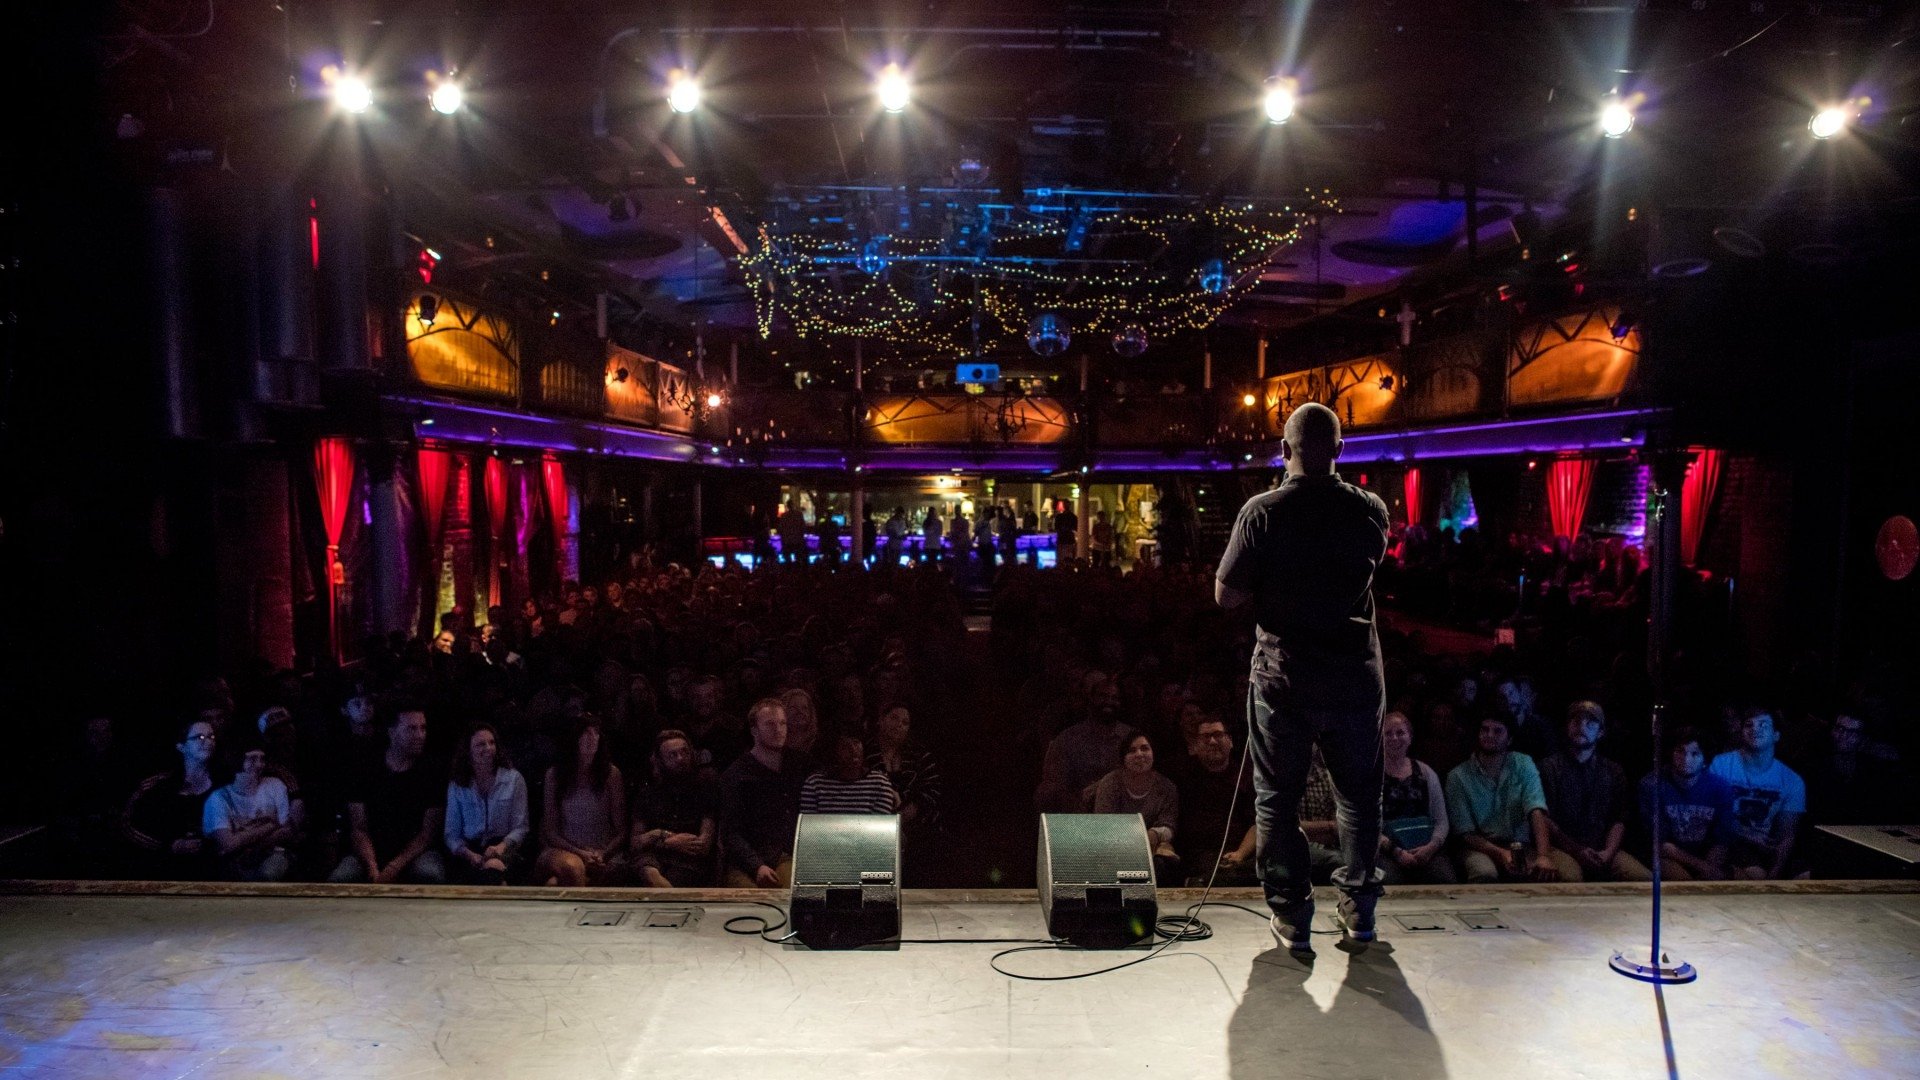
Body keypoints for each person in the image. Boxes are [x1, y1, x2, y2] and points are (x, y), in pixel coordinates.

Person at [1215, 402, 1391, 950]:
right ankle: (1359, 914)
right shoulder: (1369, 509)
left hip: (1284, 678)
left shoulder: (1261, 512)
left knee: (1277, 799)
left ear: (1283, 449)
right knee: (1359, 799)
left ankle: (1292, 917)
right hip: (1355, 677)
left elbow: (1226, 596)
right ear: (1340, 450)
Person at [1445, 714, 1579, 883]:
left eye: (1497, 731)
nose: (1489, 735)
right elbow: (1466, 833)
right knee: (1484, 872)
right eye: (1484, 730)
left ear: (1509, 739)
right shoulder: (1458, 776)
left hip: (1522, 844)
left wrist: (1543, 855)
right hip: (1482, 846)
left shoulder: (1523, 763)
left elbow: (1536, 810)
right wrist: (1502, 854)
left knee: (1570, 874)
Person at [330, 707, 448, 884]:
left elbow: (427, 834)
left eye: (423, 728)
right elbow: (358, 828)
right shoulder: (365, 767)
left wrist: (394, 867)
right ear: (392, 732)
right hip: (371, 851)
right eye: (411, 728)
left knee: (430, 875)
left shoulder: (432, 771)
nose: (420, 735)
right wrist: (371, 866)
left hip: (415, 852)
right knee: (339, 879)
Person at [1539, 701, 1652, 882]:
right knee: (1570, 877)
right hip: (1561, 847)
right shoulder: (1550, 768)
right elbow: (1546, 820)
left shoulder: (1613, 771)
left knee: (1642, 877)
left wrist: (1608, 852)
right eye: (1576, 721)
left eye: (1590, 723)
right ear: (1567, 727)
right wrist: (1577, 850)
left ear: (1601, 732)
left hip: (1602, 847)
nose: (1581, 726)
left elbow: (1619, 819)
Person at [719, 698, 808, 888]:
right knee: (750, 901)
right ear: (754, 730)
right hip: (747, 859)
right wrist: (757, 865)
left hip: (784, 854)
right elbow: (730, 832)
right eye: (770, 724)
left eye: (782, 723)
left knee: (790, 894)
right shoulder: (737, 775)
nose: (778, 729)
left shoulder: (797, 765)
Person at [1708, 708, 1807, 879]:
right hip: (1725, 842)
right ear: (1741, 732)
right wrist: (1748, 837)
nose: (1755, 729)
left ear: (1776, 735)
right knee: (1754, 873)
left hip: (1764, 850)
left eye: (1763, 725)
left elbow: (1787, 834)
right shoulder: (1721, 765)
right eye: (1749, 725)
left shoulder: (1792, 780)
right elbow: (1711, 817)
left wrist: (1775, 872)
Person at [536, 714, 629, 886]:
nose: (592, 738)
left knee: (554, 884)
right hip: (564, 849)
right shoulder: (554, 776)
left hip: (602, 851)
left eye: (596, 733)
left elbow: (622, 830)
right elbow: (550, 831)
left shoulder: (611, 774)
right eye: (585, 733)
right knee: (573, 868)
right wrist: (580, 853)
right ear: (573, 738)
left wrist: (602, 853)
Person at [121, 719, 220, 880]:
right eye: (199, 737)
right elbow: (128, 825)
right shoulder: (158, 785)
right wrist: (169, 846)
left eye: (211, 737)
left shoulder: (224, 783)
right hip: (163, 870)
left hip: (211, 869)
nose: (208, 742)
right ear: (181, 747)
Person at [1636, 726, 1733, 881]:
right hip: (1667, 857)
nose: (1686, 759)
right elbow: (1660, 844)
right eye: (1680, 751)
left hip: (1707, 857)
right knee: (1681, 879)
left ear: (1704, 760)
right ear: (1671, 753)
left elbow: (1722, 839)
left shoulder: (1720, 788)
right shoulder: (1652, 785)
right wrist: (1703, 867)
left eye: (1695, 754)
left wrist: (1708, 870)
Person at [1173, 714, 1257, 886]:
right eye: (1205, 737)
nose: (1212, 741)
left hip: (1241, 855)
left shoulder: (1246, 776)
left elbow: (1257, 823)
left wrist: (1240, 854)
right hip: (1199, 857)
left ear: (1230, 741)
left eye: (1218, 735)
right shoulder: (1181, 777)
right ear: (1195, 745)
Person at [630, 729, 719, 888]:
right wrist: (665, 838)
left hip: (688, 860)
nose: (680, 759)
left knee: (669, 878)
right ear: (660, 760)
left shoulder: (705, 789)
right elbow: (636, 842)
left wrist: (655, 838)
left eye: (684, 752)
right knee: (646, 869)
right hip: (652, 857)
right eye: (672, 755)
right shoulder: (648, 793)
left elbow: (703, 845)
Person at [444, 723, 530, 885]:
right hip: (470, 849)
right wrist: (468, 854)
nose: (488, 748)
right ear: (468, 750)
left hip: (504, 846)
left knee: (493, 868)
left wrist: (501, 847)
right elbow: (451, 833)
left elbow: (521, 827)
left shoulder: (513, 779)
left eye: (492, 743)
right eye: (480, 744)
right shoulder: (458, 784)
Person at [1034, 674, 1135, 812]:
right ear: (1091, 699)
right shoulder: (1068, 738)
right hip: (1078, 808)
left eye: (1114, 698)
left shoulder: (1131, 737)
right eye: (1103, 696)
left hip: (1120, 806)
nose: (1109, 702)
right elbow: (1055, 780)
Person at [1091, 731, 1181, 884]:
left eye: (1145, 748)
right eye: (1132, 751)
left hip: (1154, 850)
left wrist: (1154, 834)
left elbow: (1169, 825)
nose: (1139, 754)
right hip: (1116, 848)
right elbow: (1103, 824)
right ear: (1123, 757)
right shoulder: (1110, 783)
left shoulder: (1167, 787)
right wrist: (1137, 840)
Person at [1376, 711, 1454, 885]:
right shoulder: (1372, 776)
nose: (1394, 738)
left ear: (1410, 738)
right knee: (1391, 882)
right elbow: (1368, 824)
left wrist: (1431, 848)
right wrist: (1396, 852)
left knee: (1444, 879)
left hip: (1426, 848)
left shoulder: (1426, 773)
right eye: (1388, 733)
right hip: (1386, 850)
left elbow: (1441, 820)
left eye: (1400, 733)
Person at [203, 747, 295, 881]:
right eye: (252, 759)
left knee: (268, 873)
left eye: (262, 759)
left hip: (273, 854)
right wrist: (270, 825)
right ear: (236, 760)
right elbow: (227, 844)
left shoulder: (274, 785)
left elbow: (286, 830)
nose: (259, 765)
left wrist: (255, 847)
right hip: (234, 861)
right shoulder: (219, 798)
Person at [800, 733, 899, 814]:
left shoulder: (879, 783)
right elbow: (809, 828)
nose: (853, 750)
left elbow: (878, 830)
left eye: (856, 743)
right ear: (834, 751)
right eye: (845, 746)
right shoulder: (815, 784)